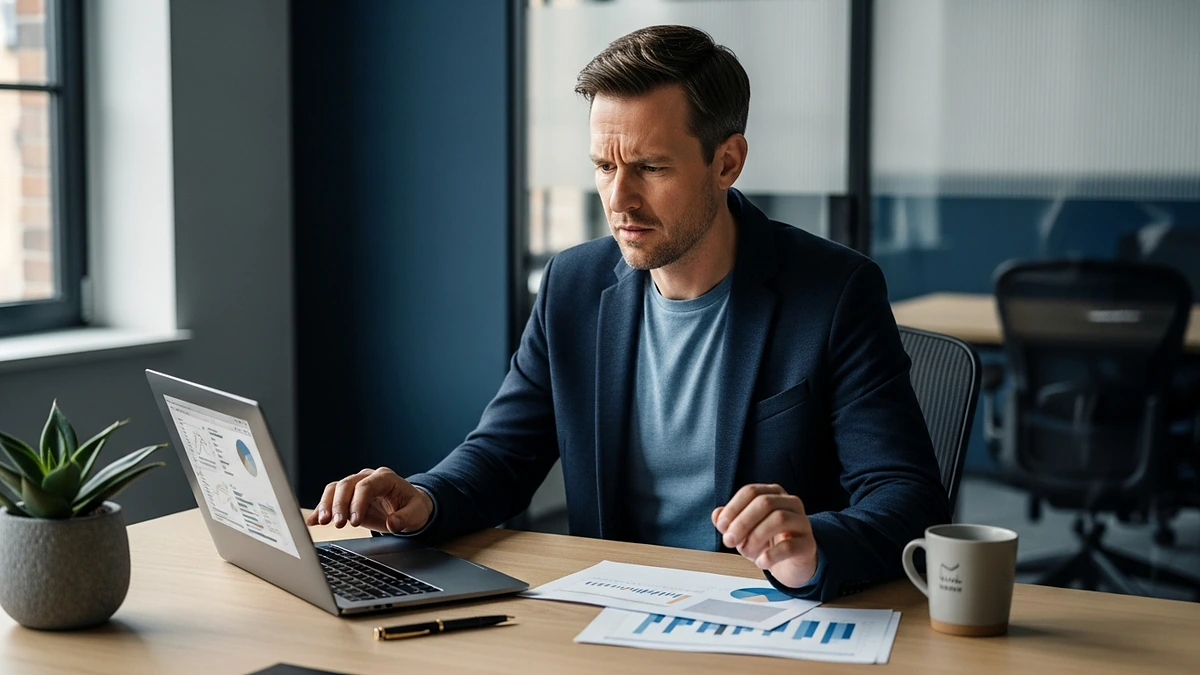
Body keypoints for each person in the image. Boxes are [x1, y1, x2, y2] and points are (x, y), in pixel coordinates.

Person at [307, 25, 949, 601]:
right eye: (604, 166)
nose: (620, 200)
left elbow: (907, 498)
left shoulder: (834, 292)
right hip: (614, 612)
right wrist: (423, 499)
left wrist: (811, 546)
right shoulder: (574, 284)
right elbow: (504, 453)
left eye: (650, 167)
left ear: (726, 162)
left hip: (762, 615)